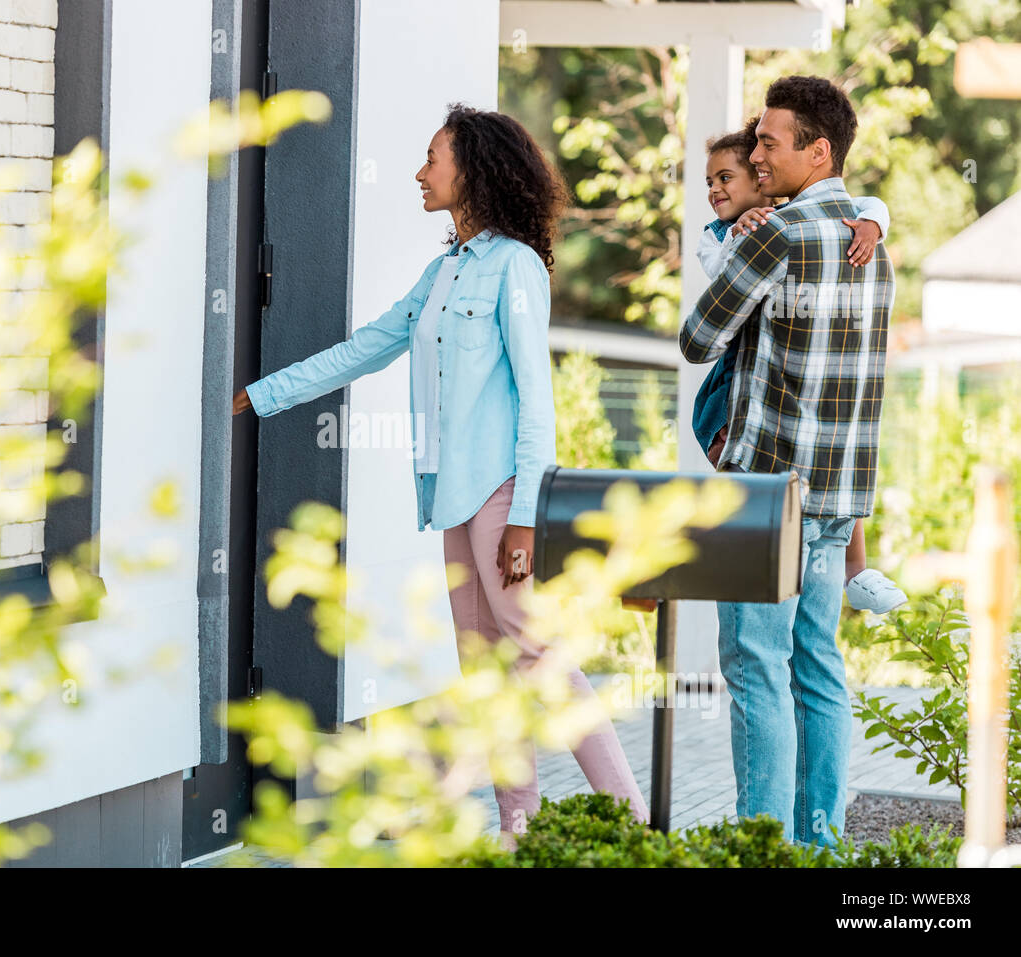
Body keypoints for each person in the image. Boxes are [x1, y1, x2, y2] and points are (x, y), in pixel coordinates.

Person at [233, 103, 648, 850]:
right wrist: (265, 394)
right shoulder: (445, 269)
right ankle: (518, 832)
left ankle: (635, 821)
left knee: (540, 656)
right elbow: (367, 346)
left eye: (433, 159)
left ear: (474, 171)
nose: (420, 173)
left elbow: (535, 398)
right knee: (490, 672)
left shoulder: (516, 266)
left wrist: (525, 514)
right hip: (452, 501)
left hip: (499, 497)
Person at [678, 76, 895, 846]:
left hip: (768, 497)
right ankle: (821, 843)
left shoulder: (774, 235)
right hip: (838, 498)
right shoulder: (876, 244)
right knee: (819, 666)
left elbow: (697, 339)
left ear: (817, 149)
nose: (756, 154)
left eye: (769, 142)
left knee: (757, 670)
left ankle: (762, 846)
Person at [694, 119, 908, 617]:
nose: (714, 190)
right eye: (710, 181)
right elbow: (718, 280)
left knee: (760, 647)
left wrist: (874, 224)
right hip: (734, 377)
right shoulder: (729, 234)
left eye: (728, 177)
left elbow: (869, 205)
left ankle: (858, 568)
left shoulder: (788, 224)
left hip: (784, 438)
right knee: (813, 648)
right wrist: (740, 239)